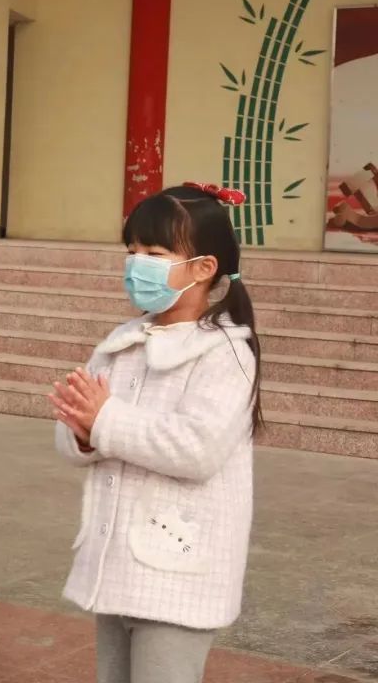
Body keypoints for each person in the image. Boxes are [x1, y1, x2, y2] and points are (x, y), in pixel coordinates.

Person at [49, 182, 261, 683]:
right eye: (132, 250)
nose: (136, 263)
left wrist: (104, 421)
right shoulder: (120, 344)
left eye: (155, 253)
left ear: (204, 268)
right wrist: (83, 434)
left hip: (177, 573)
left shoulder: (224, 353)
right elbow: (75, 430)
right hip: (116, 568)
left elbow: (197, 449)